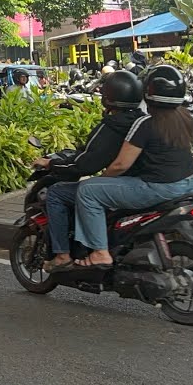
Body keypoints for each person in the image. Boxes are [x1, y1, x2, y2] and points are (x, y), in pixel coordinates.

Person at [73, 65, 193, 268]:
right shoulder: (185, 117)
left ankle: (100, 253)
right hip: (192, 182)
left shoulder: (146, 124)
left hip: (161, 187)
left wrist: (102, 179)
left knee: (88, 191)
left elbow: (120, 165)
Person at [39, 72, 145, 271]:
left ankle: (63, 255)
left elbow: (85, 164)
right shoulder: (142, 121)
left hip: (127, 187)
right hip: (148, 184)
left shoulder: (112, 126)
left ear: (108, 97)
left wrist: (51, 164)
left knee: (57, 192)